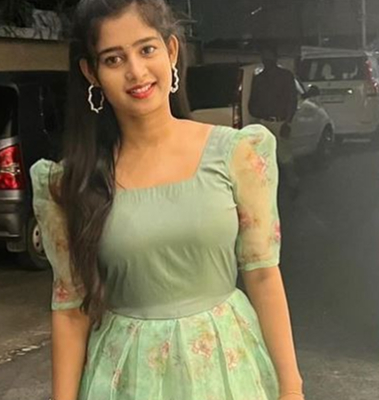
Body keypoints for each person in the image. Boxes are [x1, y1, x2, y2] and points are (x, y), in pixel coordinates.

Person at [30, 1, 304, 399]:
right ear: (92, 73)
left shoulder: (237, 155)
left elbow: (262, 274)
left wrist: (291, 388)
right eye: (113, 59)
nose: (136, 72)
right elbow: (71, 309)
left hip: (227, 373)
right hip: (126, 379)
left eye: (147, 49)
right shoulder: (72, 183)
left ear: (171, 50)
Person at [248, 43, 300, 196]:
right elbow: (253, 101)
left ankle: (293, 186)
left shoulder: (285, 76)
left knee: (285, 157)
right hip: (263, 122)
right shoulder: (258, 79)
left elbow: (292, 100)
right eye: (264, 57)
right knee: (263, 159)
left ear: (275, 58)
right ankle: (267, 189)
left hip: (280, 121)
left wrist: (287, 122)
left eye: (269, 57)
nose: (267, 60)